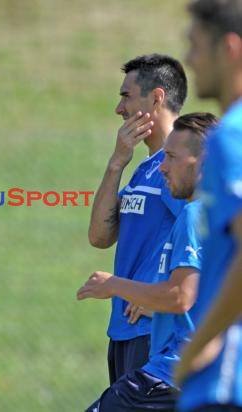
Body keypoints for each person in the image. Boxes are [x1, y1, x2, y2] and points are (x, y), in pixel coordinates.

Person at [78, 112, 217, 411]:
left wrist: (115, 285)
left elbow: (180, 296)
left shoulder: (194, 215)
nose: (163, 167)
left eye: (171, 157)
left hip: (171, 376)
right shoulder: (223, 218)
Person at [88, 53, 188, 384]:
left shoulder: (181, 170)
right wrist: (117, 162)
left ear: (156, 98)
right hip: (124, 331)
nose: (119, 109)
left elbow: (215, 241)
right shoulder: (146, 168)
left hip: (155, 333)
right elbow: (100, 237)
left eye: (126, 96)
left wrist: (160, 299)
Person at [174, 1, 242, 411]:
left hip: (225, 382)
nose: (189, 59)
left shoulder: (231, 137)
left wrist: (198, 346)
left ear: (230, 49)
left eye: (196, 45)